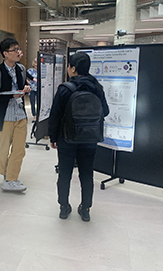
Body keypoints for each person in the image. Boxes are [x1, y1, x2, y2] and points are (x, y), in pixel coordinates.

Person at [48, 52, 109, 222]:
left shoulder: (65, 89)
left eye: (69, 66)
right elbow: (106, 111)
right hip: (90, 138)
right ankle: (86, 209)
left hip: (66, 138)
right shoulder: (97, 87)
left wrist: (53, 137)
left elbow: (55, 116)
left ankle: (63, 207)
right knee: (86, 173)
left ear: (73, 69)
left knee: (65, 173)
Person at [0, 38, 31, 192]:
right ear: (5, 54)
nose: (19, 52)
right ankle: (5, 175)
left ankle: (11, 178)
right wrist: (11, 95)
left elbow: (21, 87)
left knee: (19, 149)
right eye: (15, 50)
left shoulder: (21, 69)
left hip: (20, 114)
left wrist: (25, 89)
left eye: (18, 49)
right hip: (5, 116)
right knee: (4, 149)